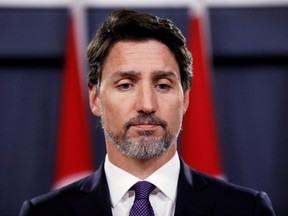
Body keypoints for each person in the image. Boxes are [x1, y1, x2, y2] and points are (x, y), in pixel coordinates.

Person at [20, 9, 275, 216]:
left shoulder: (247, 209)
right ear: (95, 98)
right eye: (126, 85)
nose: (146, 104)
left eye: (163, 85)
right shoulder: (43, 213)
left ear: (184, 99)